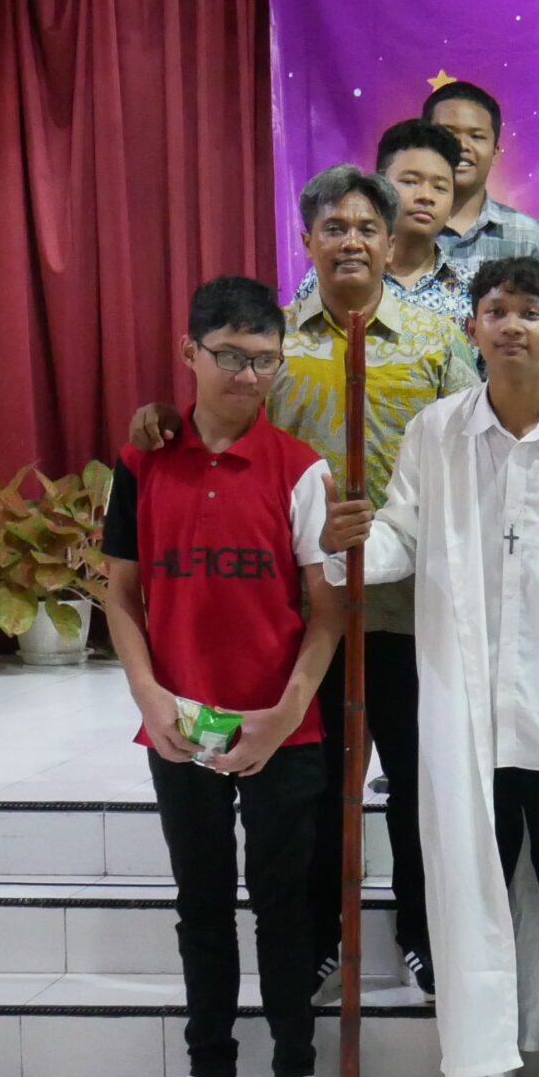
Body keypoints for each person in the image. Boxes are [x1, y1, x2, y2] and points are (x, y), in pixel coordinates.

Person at [129, 165, 476, 1003]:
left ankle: (421, 934)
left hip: (412, 609)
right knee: (318, 791)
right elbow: (223, 423)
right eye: (334, 227)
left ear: (392, 241)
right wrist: (162, 420)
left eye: (367, 228)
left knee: (420, 783)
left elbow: (474, 450)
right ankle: (321, 937)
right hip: (305, 615)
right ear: (307, 238)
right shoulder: (274, 342)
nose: (351, 241)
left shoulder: (435, 342)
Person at [321, 256, 539, 1077]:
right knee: (470, 882)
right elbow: (401, 541)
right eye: (495, 310)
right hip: (466, 710)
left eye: (530, 312)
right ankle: (479, 1061)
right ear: (471, 327)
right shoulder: (436, 434)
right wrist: (352, 543)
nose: (511, 326)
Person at [102, 276, 343, 1077]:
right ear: (190, 353)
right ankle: (208, 1067)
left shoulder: (301, 469)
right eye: (231, 357)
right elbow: (120, 593)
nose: (248, 376)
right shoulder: (142, 463)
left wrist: (284, 714)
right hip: (181, 721)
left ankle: (295, 1068)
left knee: (286, 903)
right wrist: (149, 694)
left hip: (283, 725)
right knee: (200, 898)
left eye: (265, 360)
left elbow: (328, 612)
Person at [290, 120, 477, 329]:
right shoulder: (326, 278)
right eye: (410, 181)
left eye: (440, 187)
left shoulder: (471, 290)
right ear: (380, 186)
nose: (426, 196)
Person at [423, 79, 539, 270]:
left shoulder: (531, 237)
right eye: (447, 133)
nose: (462, 146)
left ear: (495, 153)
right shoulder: (394, 229)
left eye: (476, 136)